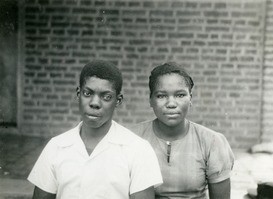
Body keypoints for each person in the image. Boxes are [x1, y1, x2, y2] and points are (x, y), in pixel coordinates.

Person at [28, 60, 163, 199]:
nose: (94, 103)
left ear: (118, 100)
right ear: (78, 94)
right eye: (88, 93)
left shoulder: (138, 150)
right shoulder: (56, 147)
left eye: (106, 97)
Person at [130, 62, 234, 199]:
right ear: (151, 100)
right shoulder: (132, 138)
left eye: (180, 95)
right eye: (161, 96)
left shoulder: (212, 141)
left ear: (191, 98)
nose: (171, 104)